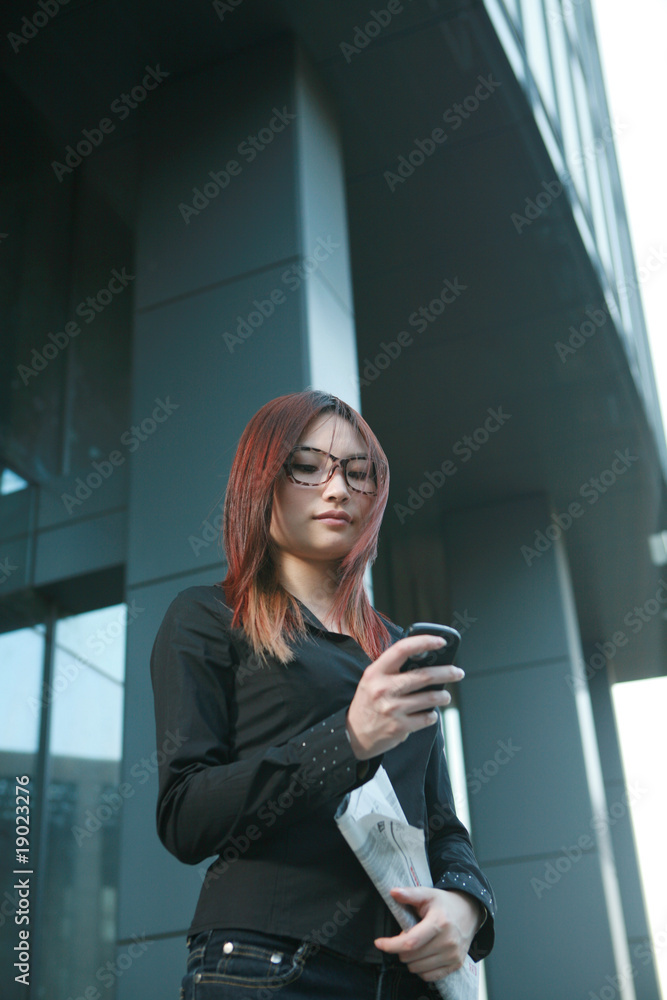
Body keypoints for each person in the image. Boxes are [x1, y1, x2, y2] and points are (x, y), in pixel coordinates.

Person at [150, 388, 496, 999]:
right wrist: (350, 739)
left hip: (409, 979)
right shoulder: (208, 617)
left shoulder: (393, 646)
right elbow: (184, 814)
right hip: (268, 965)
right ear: (261, 480)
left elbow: (440, 824)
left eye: (358, 473)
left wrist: (466, 907)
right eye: (307, 467)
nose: (337, 490)